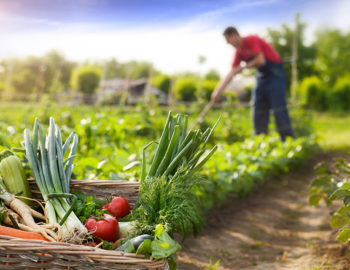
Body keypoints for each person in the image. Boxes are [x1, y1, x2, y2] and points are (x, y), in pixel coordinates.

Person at [211, 26, 294, 141]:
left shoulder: (251, 40)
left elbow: (260, 60)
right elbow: (232, 72)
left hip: (275, 74)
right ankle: (260, 142)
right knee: (258, 107)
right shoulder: (239, 52)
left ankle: (288, 141)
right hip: (262, 76)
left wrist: (244, 66)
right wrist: (217, 91)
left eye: (227, 40)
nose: (228, 43)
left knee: (278, 108)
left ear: (233, 35)